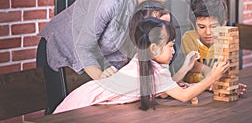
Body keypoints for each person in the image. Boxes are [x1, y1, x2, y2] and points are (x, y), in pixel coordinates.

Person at [36, 0, 180, 113]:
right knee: (59, 113)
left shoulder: (142, 9)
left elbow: (127, 54)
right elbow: (82, 46)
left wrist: (163, 85)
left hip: (88, 60)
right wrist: (102, 79)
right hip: (60, 49)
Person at [53, 18, 229, 114]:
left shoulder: (143, 60)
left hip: (86, 99)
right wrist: (213, 76)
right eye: (170, 45)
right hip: (81, 104)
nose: (173, 50)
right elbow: (183, 96)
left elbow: (160, 85)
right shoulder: (150, 68)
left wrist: (185, 67)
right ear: (153, 48)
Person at [181, 0, 247, 95]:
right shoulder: (189, 38)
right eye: (202, 27)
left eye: (214, 26)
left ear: (223, 23)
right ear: (193, 24)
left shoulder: (226, 40)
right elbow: (190, 64)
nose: (208, 32)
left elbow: (227, 72)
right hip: (192, 91)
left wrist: (230, 85)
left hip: (213, 92)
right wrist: (209, 73)